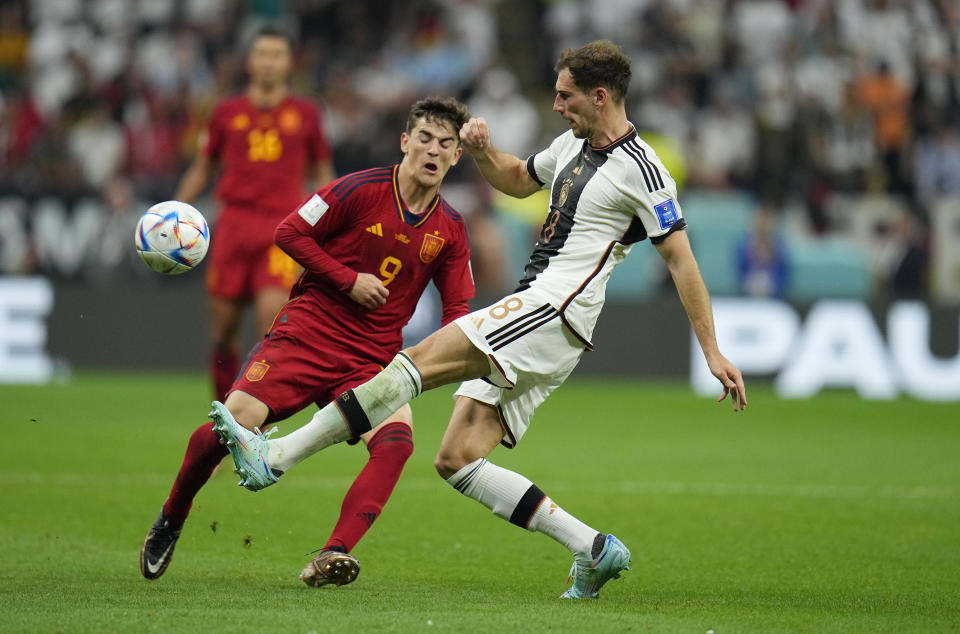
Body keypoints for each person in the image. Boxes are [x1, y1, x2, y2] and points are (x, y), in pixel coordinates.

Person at [213, 40, 747, 599]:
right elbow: (518, 178)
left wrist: (711, 349)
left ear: (600, 95)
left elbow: (680, 258)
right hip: (545, 314)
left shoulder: (644, 170)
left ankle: (276, 455)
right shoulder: (571, 142)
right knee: (458, 457)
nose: (557, 104)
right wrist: (484, 150)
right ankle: (593, 548)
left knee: (413, 362)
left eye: (565, 95)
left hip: (554, 307)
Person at [140, 96, 476, 587]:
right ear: (405, 142)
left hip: (371, 360)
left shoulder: (450, 229)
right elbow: (290, 232)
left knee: (397, 443)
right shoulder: (358, 188)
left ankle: (332, 554)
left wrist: (448, 364)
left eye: (446, 144)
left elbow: (457, 312)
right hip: (307, 335)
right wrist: (347, 280)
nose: (433, 150)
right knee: (228, 427)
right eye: (424, 138)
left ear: (455, 158)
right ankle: (172, 516)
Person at [174, 25, 335, 402]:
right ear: (249, 61)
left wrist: (327, 223)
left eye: (277, 54)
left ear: (289, 63)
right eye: (262, 53)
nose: (269, 62)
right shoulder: (225, 112)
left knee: (269, 329)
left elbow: (323, 175)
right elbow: (203, 166)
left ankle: (250, 427)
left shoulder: (307, 114)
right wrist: (175, 211)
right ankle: (220, 425)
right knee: (222, 334)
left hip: (282, 231)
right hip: (232, 226)